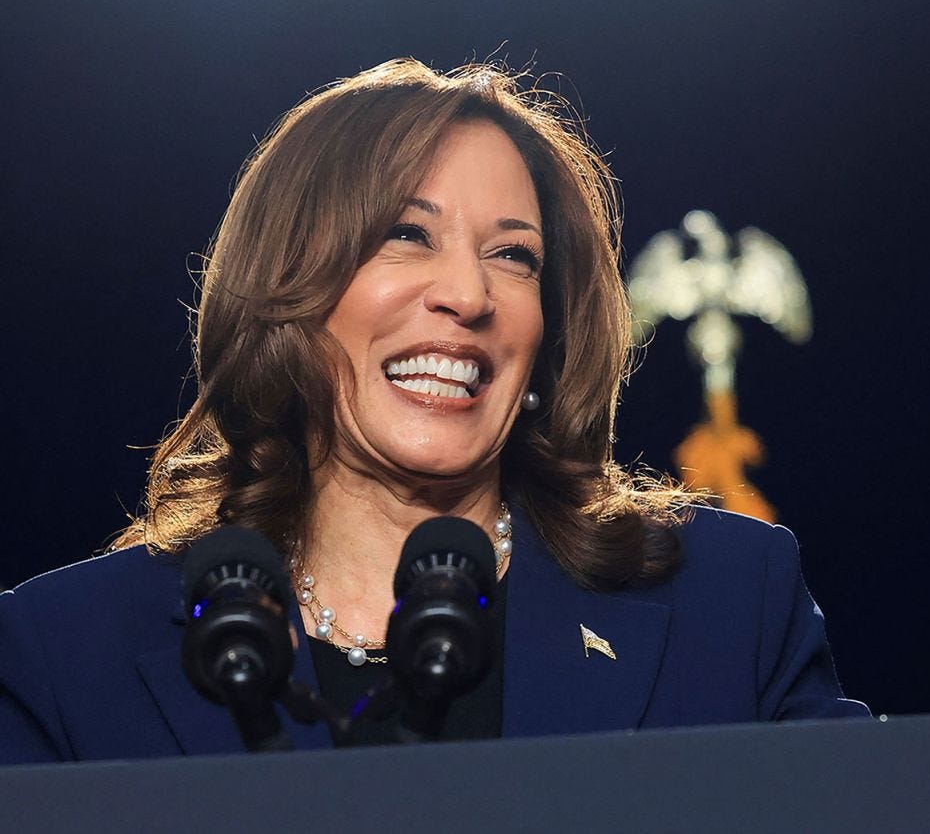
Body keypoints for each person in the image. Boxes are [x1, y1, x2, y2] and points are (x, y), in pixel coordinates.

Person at [0, 59, 868, 763]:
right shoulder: (67, 658)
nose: (469, 293)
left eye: (513, 255)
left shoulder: (728, 605)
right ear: (285, 293)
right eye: (406, 235)